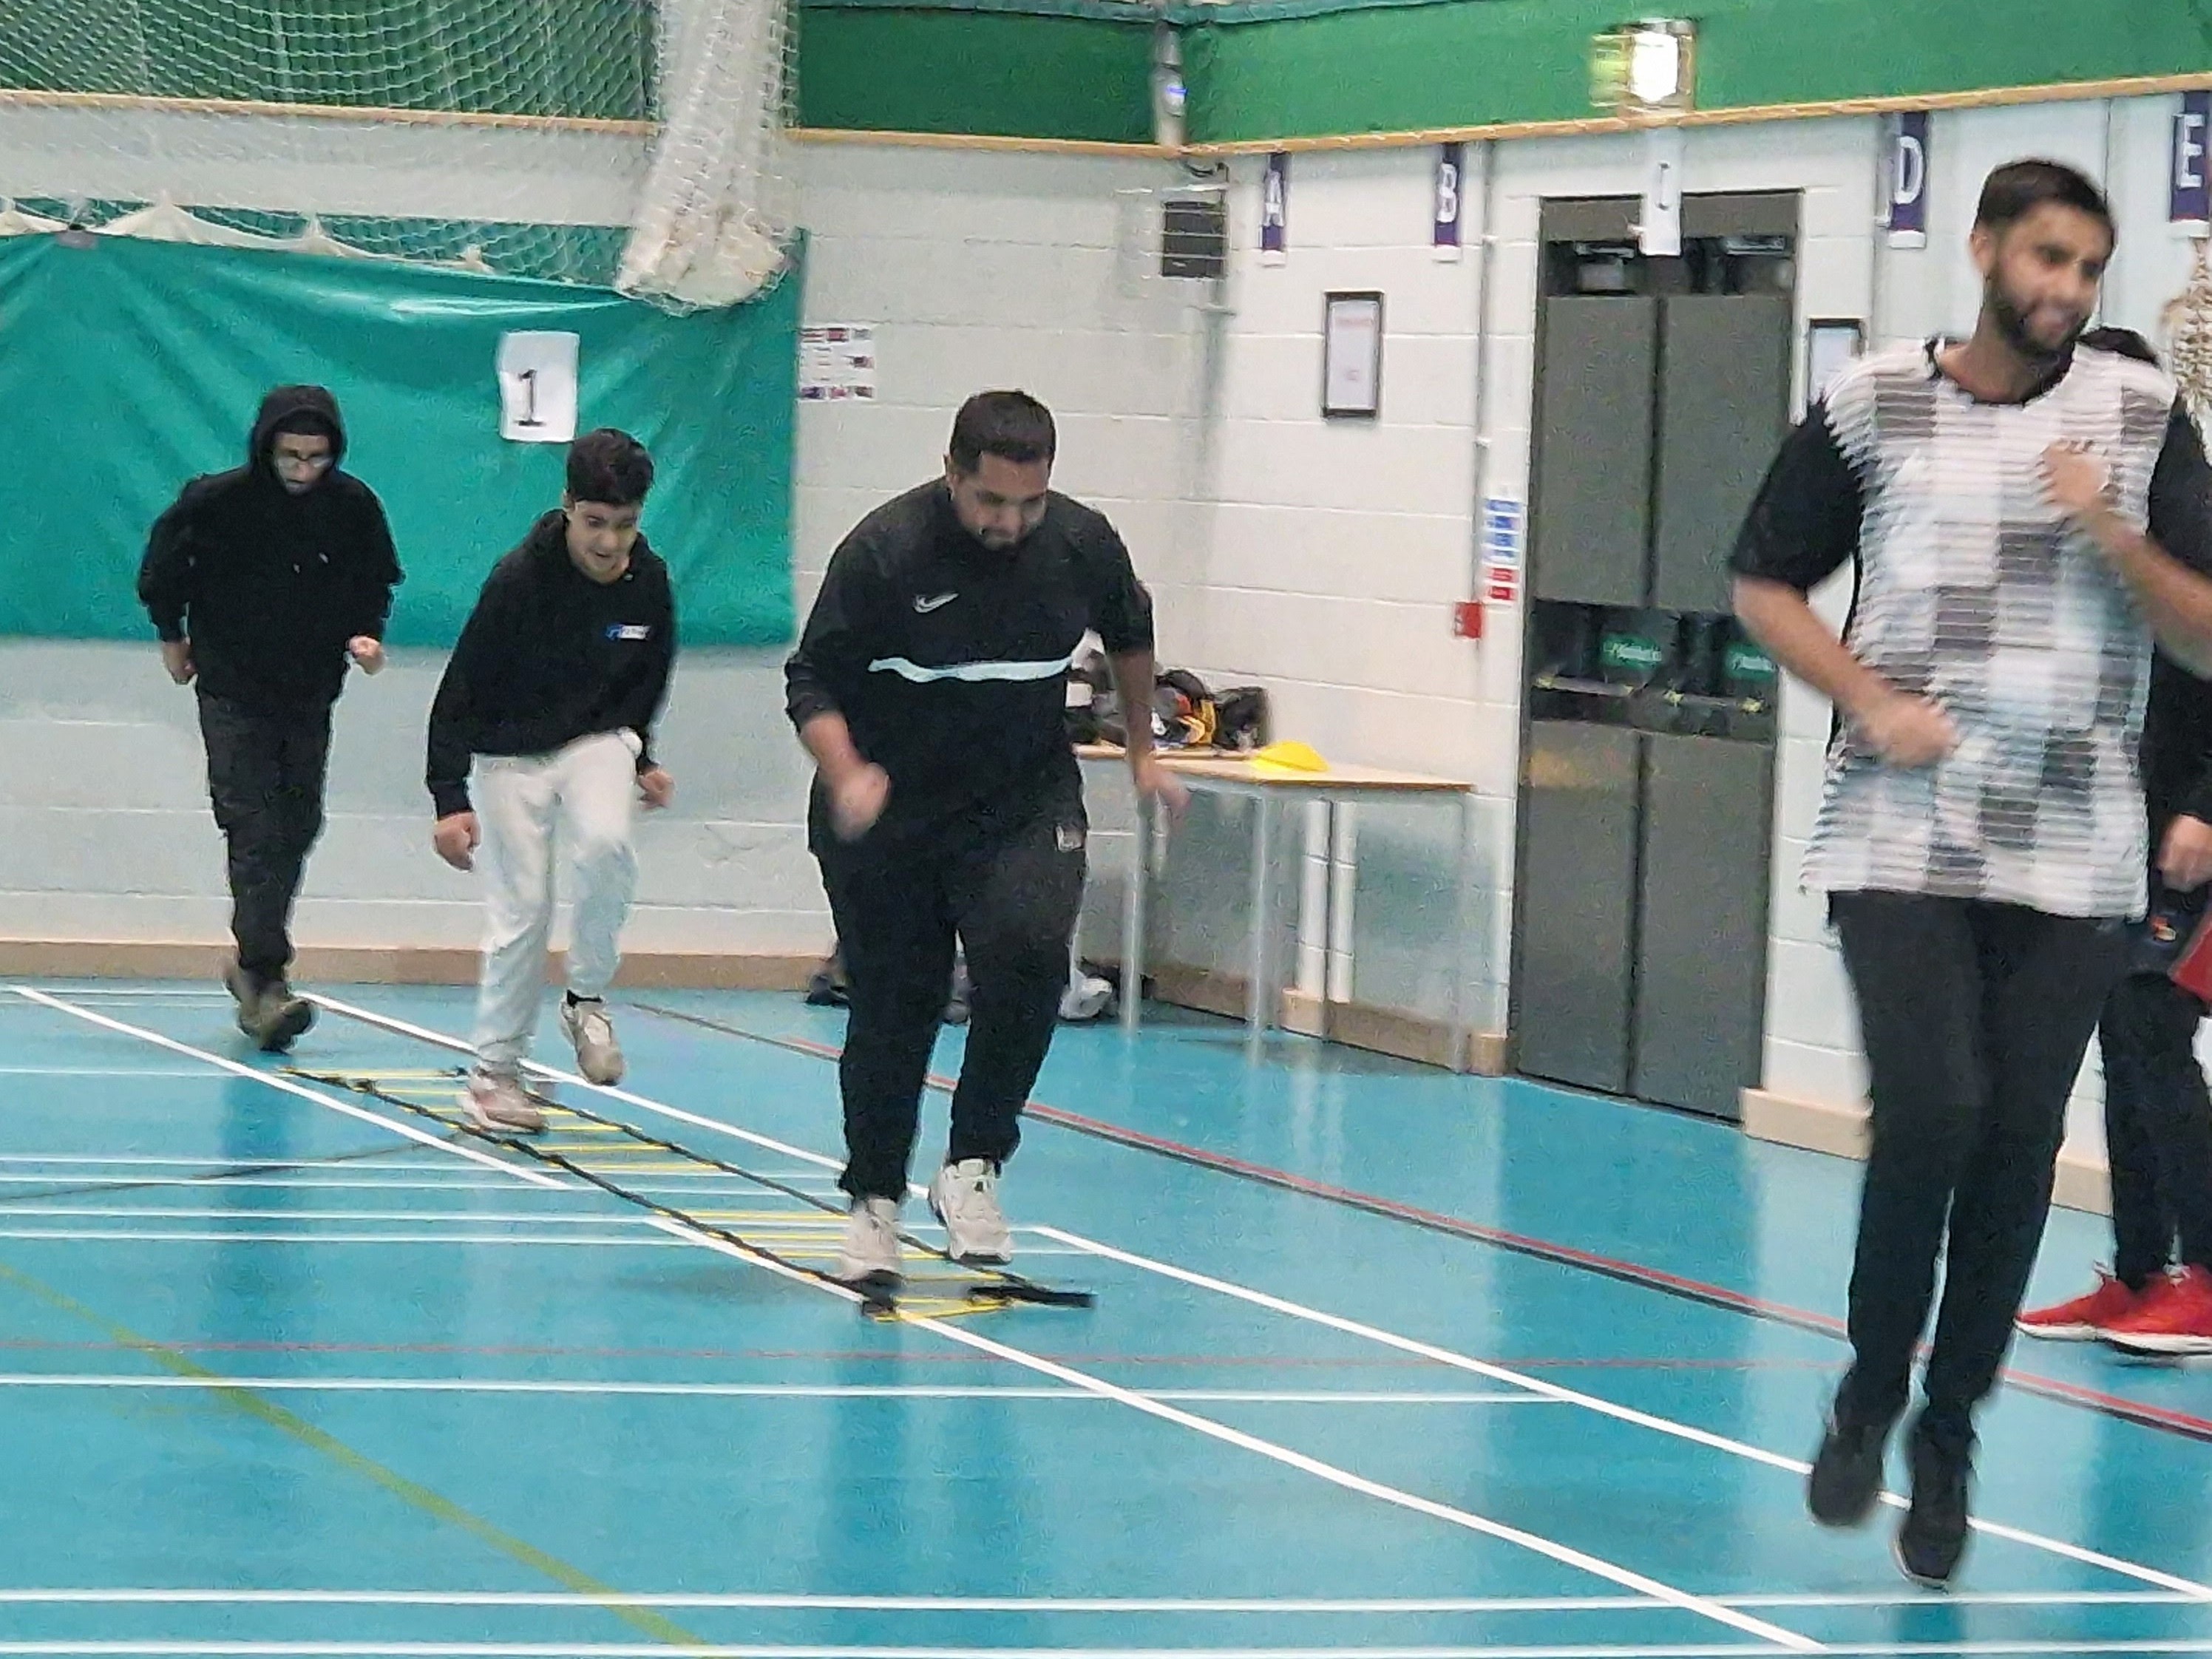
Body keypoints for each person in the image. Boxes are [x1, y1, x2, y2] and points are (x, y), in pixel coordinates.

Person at [1731, 160, 2212, 1587]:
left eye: (2088, 270)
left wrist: (2109, 532)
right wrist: (1866, 696)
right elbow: (1761, 582)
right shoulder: (1870, 405)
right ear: (1986, 246)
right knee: (1931, 1104)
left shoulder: (2137, 420)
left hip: (2072, 845)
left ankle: (1947, 1426)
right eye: (2046, 259)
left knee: (2013, 1142)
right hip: (1899, 827)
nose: (2064, 291)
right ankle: (1871, 1379)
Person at [784, 390, 1186, 1286]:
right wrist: (848, 770)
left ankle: (972, 1165)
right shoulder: (885, 551)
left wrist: (1142, 752)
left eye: (1028, 504)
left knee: (1032, 955)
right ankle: (874, 1197)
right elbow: (810, 679)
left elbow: (1129, 631)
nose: (1010, 522)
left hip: (1020, 797)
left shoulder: (1082, 543)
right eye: (991, 502)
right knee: (899, 1002)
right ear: (951, 474)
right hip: (889, 808)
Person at [2016, 328, 2212, 1357]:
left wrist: (2204, 807)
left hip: (2195, 826)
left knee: (2151, 1020)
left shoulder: (2192, 516)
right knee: (2119, 1034)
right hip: (2117, 822)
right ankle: (2141, 1275)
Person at [138, 385, 402, 1052]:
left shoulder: (353, 506)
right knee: (252, 825)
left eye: (316, 457)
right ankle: (266, 978)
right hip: (230, 685)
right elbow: (163, 567)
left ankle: (251, 962)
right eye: (290, 455)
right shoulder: (217, 501)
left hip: (309, 689)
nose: (301, 470)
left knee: (297, 822)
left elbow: (373, 580)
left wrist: (365, 633)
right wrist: (172, 636)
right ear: (266, 448)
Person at [426, 430, 676, 1135]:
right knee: (524, 908)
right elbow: (460, 689)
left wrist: (644, 756)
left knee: (606, 845)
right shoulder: (518, 580)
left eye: (625, 526)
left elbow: (649, 672)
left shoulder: (649, 580)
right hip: (510, 755)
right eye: (595, 523)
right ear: (568, 508)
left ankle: (585, 998)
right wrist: (448, 798)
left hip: (597, 738)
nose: (609, 543)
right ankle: (493, 1075)